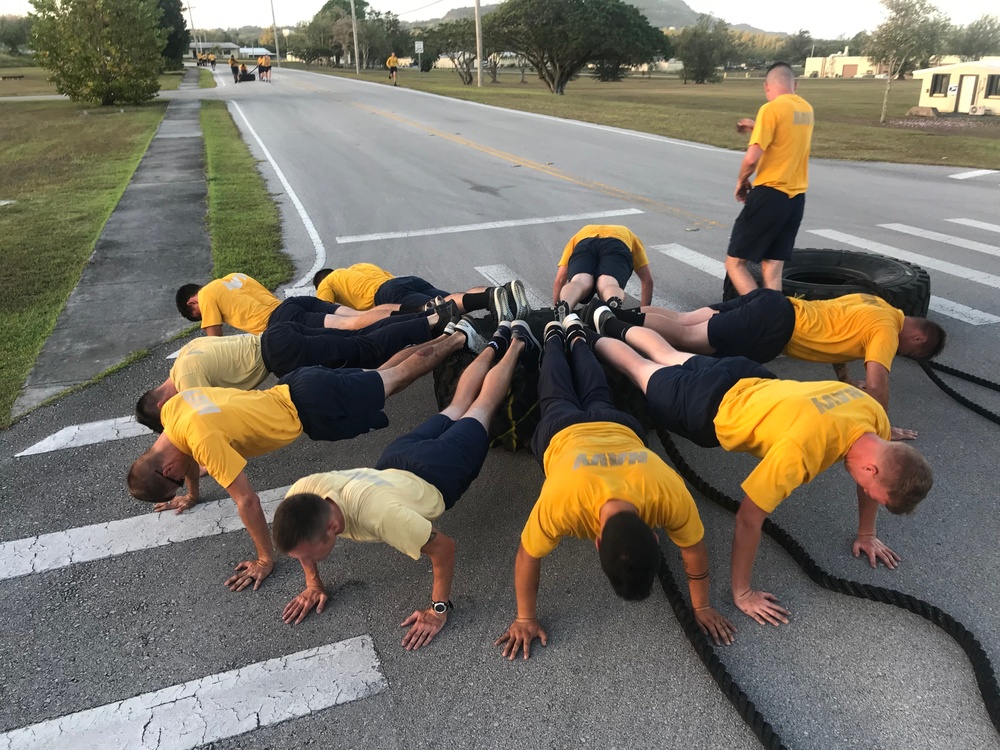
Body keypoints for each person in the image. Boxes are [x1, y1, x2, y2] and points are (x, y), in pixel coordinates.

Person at [589, 313, 933, 627]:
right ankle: (584, 333)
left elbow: (877, 481)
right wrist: (742, 593)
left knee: (670, 356)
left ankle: (605, 317)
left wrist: (867, 533)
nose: (867, 493)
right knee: (638, 368)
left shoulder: (872, 415)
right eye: (874, 492)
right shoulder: (803, 451)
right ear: (871, 468)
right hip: (706, 405)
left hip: (746, 375)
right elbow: (748, 518)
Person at [126, 332, 469, 600]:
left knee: (395, 379)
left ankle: (459, 338)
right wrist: (191, 494)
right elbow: (182, 458)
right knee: (384, 376)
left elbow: (247, 501)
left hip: (310, 405)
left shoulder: (201, 440)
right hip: (297, 386)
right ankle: (447, 336)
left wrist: (264, 560)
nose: (189, 472)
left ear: (167, 469)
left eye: (179, 480)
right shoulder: (172, 413)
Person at [271, 319, 539, 648]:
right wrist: (313, 583)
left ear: (330, 528)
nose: (307, 560)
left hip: (439, 470)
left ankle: (517, 343)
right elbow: (301, 540)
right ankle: (494, 340)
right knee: (457, 406)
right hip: (395, 460)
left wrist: (438, 609)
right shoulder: (302, 494)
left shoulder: (382, 518)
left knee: (481, 408)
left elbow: (444, 549)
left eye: (310, 554)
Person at [495, 315, 734, 660]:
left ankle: (569, 335)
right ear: (595, 542)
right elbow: (526, 556)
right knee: (555, 389)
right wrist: (523, 618)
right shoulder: (563, 503)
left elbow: (527, 556)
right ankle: (557, 338)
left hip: (615, 424)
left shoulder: (667, 492)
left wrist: (525, 617)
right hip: (563, 432)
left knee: (591, 389)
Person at [590, 290, 946, 437]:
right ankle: (609, 323)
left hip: (775, 303)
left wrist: (846, 379)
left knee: (684, 321)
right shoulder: (886, 330)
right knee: (687, 341)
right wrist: (882, 430)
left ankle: (619, 315)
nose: (905, 357)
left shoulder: (879, 305)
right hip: (774, 327)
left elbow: (840, 340)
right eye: (912, 355)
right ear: (917, 341)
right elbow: (879, 382)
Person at [135, 310, 455, 430]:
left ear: (163, 405)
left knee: (366, 350)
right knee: (360, 340)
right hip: (278, 336)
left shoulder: (188, 382)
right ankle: (431, 324)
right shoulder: (185, 357)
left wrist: (201, 464)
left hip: (282, 355)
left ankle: (433, 323)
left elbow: (205, 422)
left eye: (168, 418)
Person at [727, 62, 814, 296]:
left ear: (767, 86)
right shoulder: (805, 109)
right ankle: (775, 320)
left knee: (735, 263)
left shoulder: (770, 109)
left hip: (770, 194)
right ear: (794, 85)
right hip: (795, 200)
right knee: (772, 266)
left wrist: (741, 181)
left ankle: (759, 314)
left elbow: (751, 159)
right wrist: (758, 127)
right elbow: (786, 136)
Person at [176, 272, 399, 335]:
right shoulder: (235, 276)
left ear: (192, 302)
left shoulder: (205, 295)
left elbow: (214, 341)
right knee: (353, 315)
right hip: (291, 304)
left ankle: (417, 320)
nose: (205, 316)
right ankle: (413, 310)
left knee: (353, 325)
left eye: (199, 314)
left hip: (281, 321)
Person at [313, 263, 530, 320]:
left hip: (385, 295)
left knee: (439, 310)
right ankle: (501, 293)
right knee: (453, 298)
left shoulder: (327, 282)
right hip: (405, 281)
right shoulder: (359, 267)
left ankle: (490, 297)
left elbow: (325, 310)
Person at [551, 225, 653, 319]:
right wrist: (643, 313)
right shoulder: (629, 235)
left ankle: (565, 304)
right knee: (608, 283)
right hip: (617, 243)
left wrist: (554, 310)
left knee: (579, 281)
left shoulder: (580, 234)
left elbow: (560, 280)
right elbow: (647, 280)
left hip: (585, 243)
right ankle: (611, 306)